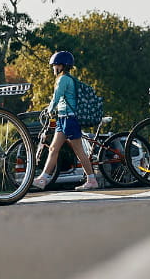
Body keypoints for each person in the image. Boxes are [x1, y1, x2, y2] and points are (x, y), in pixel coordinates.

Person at [31, 51, 99, 191]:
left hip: (70, 119)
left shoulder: (63, 80)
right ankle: (43, 179)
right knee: (53, 148)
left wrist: (50, 110)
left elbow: (57, 97)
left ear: (62, 66)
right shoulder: (66, 79)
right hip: (63, 119)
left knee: (79, 151)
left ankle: (92, 180)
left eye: (55, 65)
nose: (53, 68)